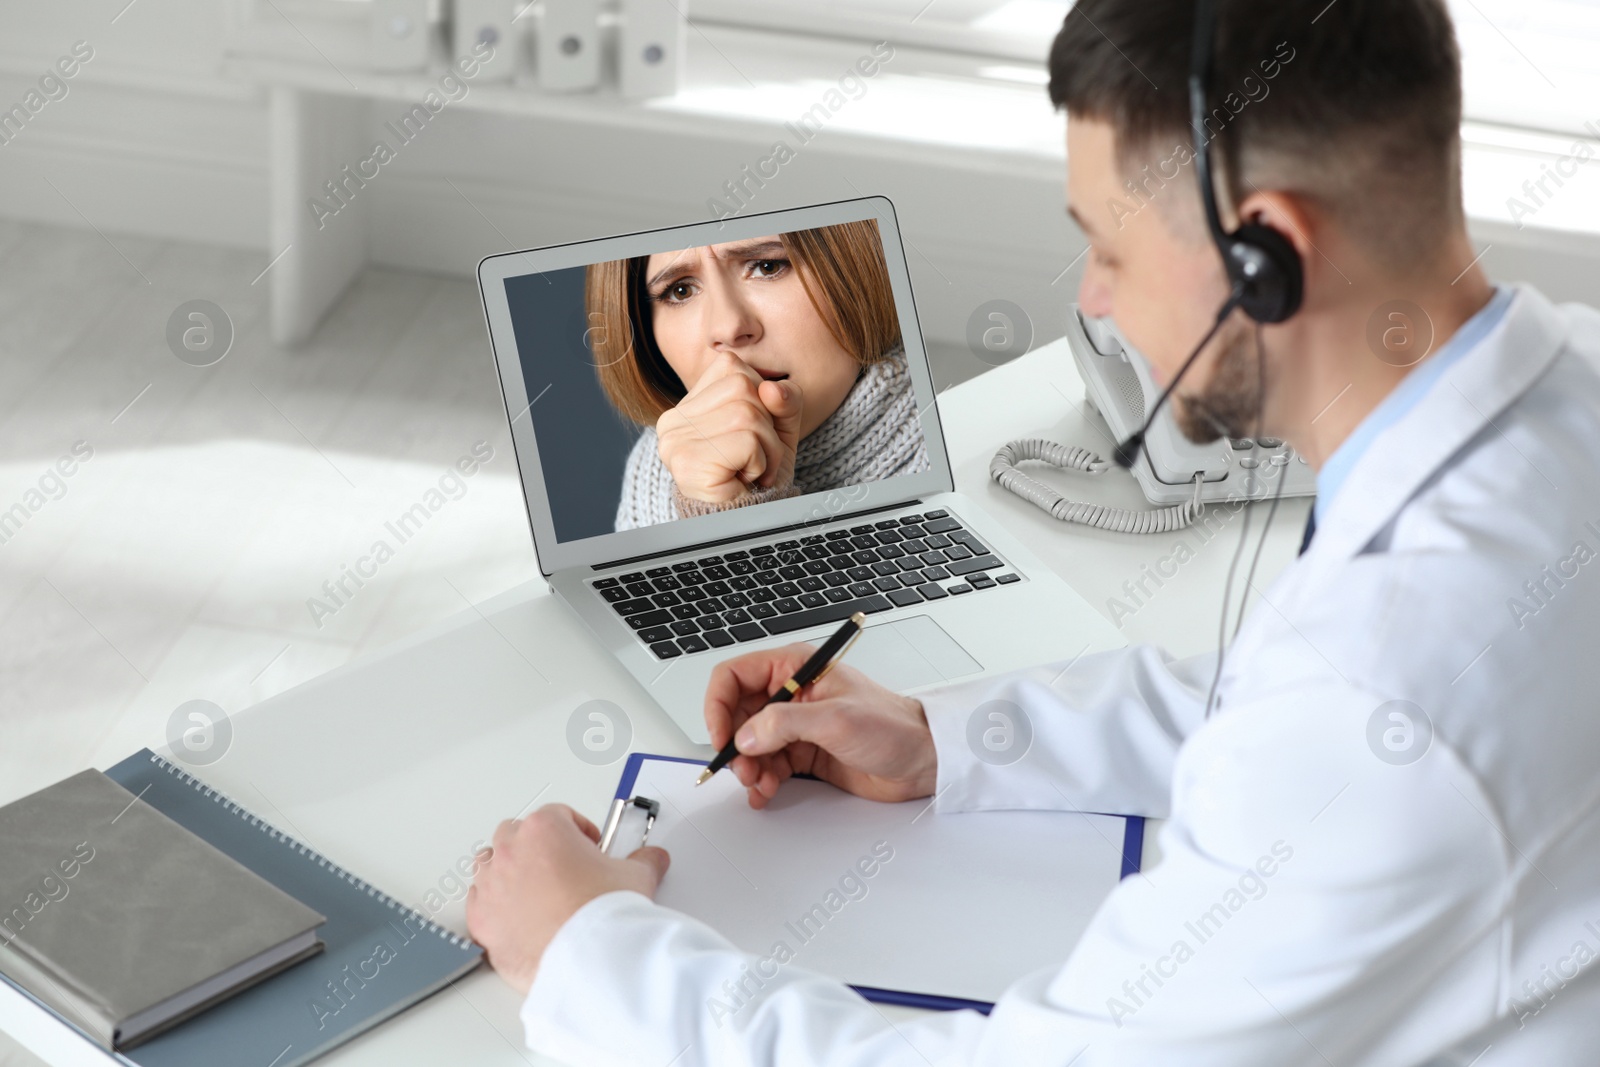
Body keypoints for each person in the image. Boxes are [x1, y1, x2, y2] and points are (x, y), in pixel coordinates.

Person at [465, 0, 1600, 1062]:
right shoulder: (1566, 386)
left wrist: (587, 948)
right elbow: (1273, 699)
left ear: (1262, 259)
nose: (1094, 303)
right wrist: (951, 738)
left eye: (1106, 248)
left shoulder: (1381, 699)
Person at [585, 220, 930, 531]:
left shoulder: (956, 437)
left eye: (767, 266)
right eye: (681, 290)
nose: (729, 327)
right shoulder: (651, 476)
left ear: (853, 267)